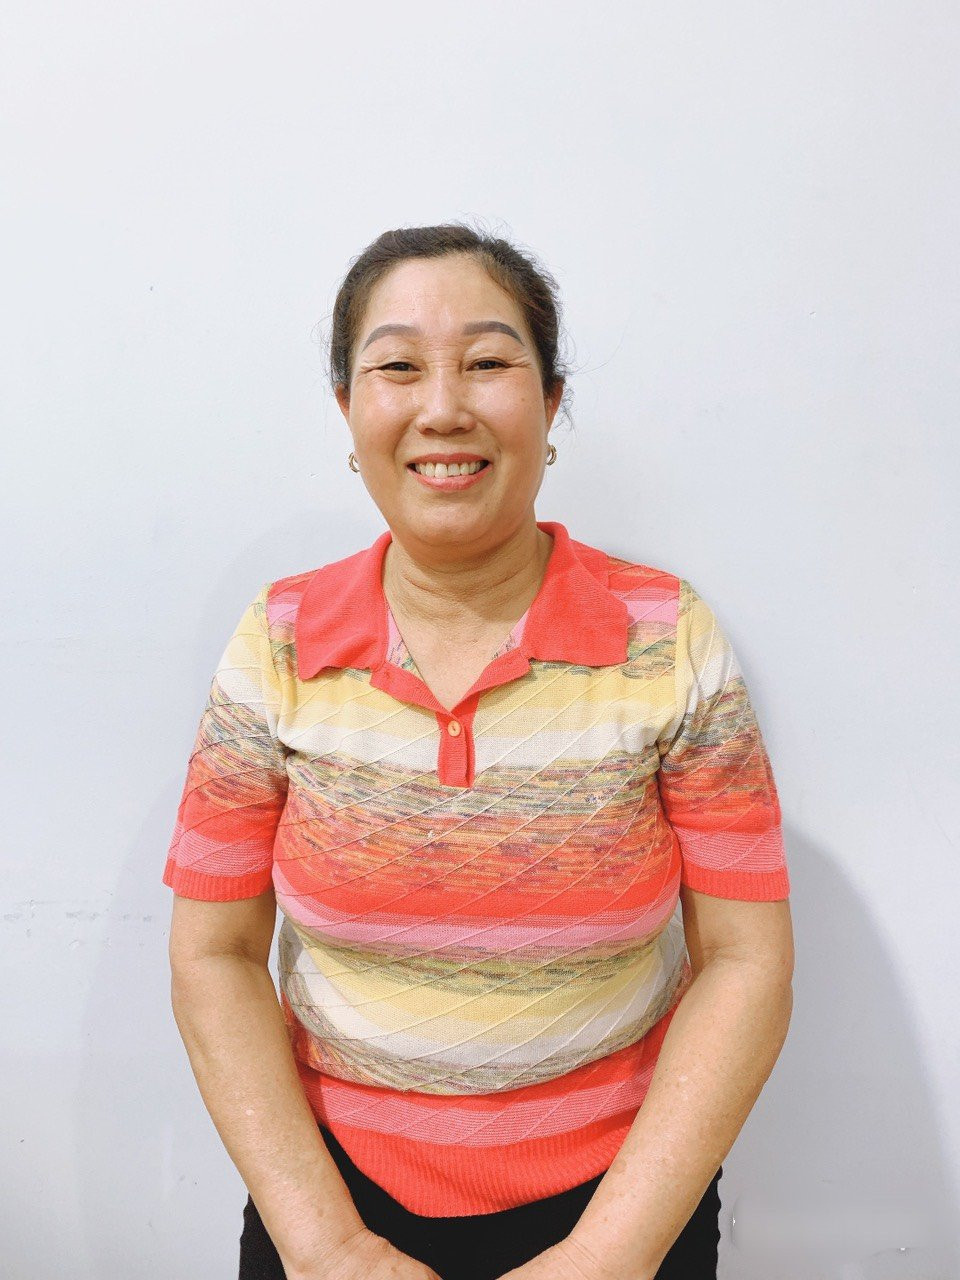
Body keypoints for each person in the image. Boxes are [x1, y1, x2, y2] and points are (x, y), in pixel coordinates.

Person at [163, 222, 795, 1280]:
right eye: (398, 367)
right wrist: (326, 1247)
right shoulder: (275, 642)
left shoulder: (668, 636)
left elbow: (747, 959)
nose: (444, 407)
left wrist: (607, 1256)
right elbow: (212, 953)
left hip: (622, 1208)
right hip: (330, 1202)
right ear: (348, 409)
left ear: (551, 404)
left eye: (489, 362)